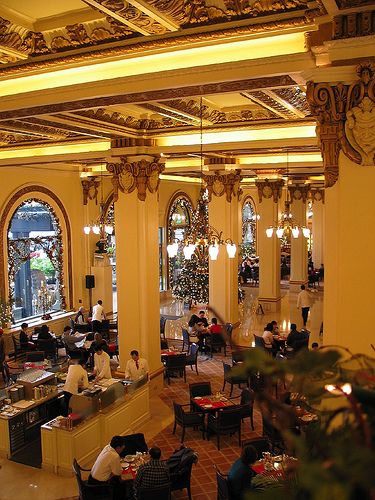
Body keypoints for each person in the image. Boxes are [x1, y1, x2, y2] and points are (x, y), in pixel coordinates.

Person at [89, 436, 127, 500]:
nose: (122, 450)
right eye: (122, 448)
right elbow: (118, 472)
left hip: (91, 478)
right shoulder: (114, 456)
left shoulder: (107, 447)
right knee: (121, 485)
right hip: (99, 485)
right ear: (118, 447)